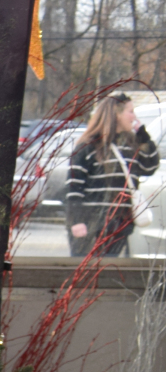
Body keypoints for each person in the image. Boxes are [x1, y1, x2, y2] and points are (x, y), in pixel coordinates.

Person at [67, 93, 160, 258]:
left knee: (109, 269)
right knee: (88, 270)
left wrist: (143, 136)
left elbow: (150, 166)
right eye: (130, 111)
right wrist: (77, 220)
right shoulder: (88, 146)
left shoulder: (130, 145)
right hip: (90, 226)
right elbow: (74, 187)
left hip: (119, 226)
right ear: (116, 113)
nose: (134, 117)